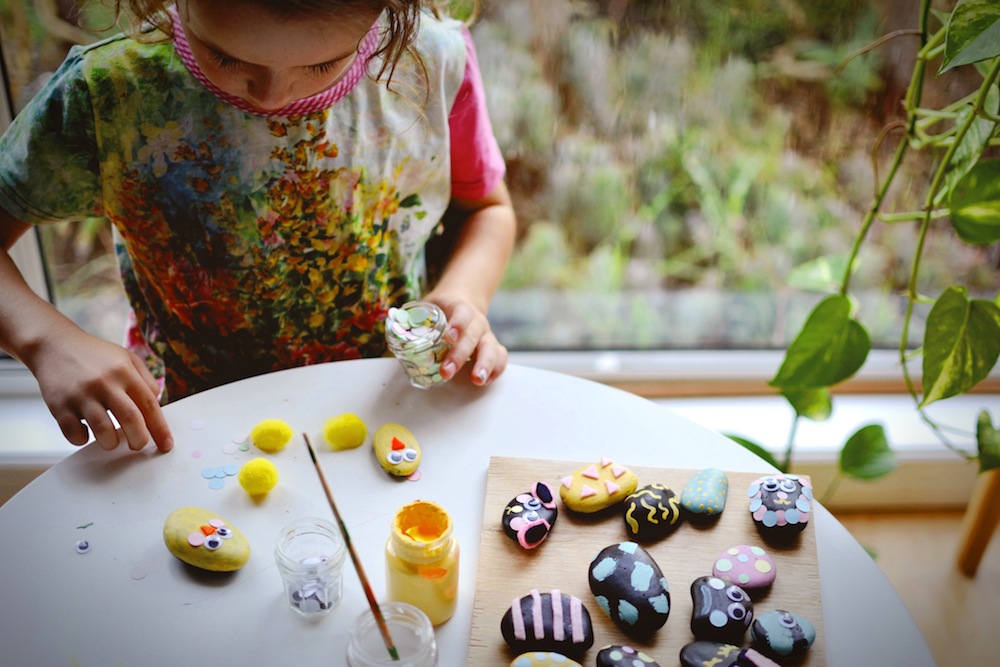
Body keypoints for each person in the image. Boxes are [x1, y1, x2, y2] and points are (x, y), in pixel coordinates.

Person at [0, 0, 516, 454]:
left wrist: (463, 295)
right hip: (193, 423)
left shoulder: (430, 63)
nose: (272, 96)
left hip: (387, 405)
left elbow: (486, 209)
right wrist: (44, 339)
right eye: (225, 56)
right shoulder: (108, 92)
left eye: (321, 64)